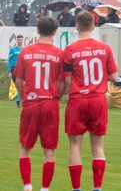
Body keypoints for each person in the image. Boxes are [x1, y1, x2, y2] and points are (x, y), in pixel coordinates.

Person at [63, 11, 118, 191]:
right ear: (94, 26)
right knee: (98, 147)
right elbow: (114, 76)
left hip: (78, 100)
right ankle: (97, 187)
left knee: (75, 146)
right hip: (97, 99)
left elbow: (68, 80)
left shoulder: (70, 50)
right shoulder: (105, 48)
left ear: (77, 26)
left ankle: (76, 188)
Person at [14, 16, 65, 191]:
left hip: (31, 102)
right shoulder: (59, 54)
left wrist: (24, 97)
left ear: (37, 30)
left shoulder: (25, 52)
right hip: (50, 103)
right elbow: (62, 82)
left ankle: (27, 186)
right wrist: (56, 96)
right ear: (54, 32)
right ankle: (44, 188)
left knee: (25, 147)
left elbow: (19, 80)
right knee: (49, 150)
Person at [8, 34, 24, 107]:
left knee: (22, 85)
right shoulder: (12, 50)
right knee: (17, 85)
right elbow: (10, 60)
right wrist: (9, 71)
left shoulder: (25, 49)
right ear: (17, 40)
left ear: (23, 40)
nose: (20, 41)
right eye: (19, 39)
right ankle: (18, 101)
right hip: (14, 68)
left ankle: (21, 101)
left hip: (23, 68)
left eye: (21, 39)